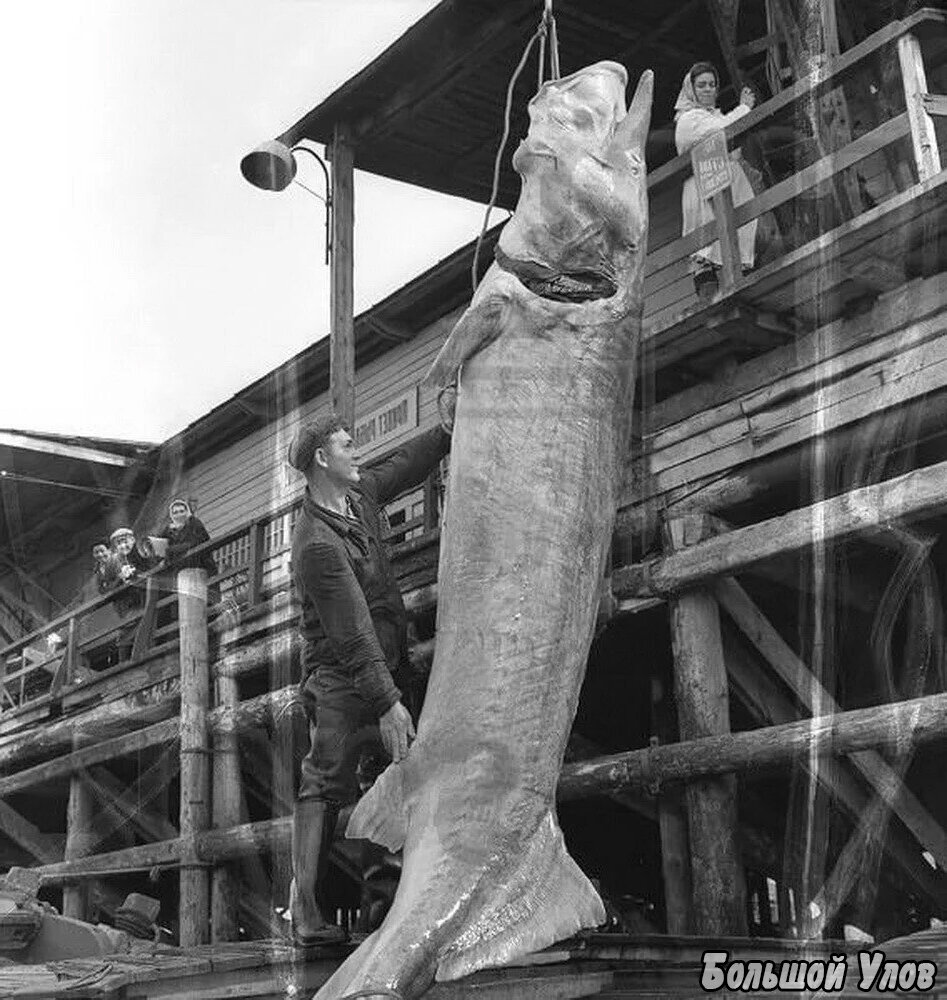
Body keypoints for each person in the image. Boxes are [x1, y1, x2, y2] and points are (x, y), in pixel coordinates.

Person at [287, 408, 452, 946]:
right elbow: (351, 630)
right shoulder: (316, 542)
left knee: (396, 774)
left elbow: (404, 464)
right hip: (340, 679)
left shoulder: (358, 498)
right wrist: (386, 702)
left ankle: (383, 915)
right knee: (325, 783)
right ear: (321, 459)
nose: (355, 452)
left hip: (385, 665)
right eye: (346, 445)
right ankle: (306, 912)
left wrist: (446, 430)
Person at [674, 62, 758, 298]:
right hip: (703, 186)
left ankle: (744, 291)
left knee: (734, 236)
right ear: (691, 89)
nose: (708, 89)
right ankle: (708, 300)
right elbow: (719, 130)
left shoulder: (711, 115)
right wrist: (744, 108)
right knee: (706, 245)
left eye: (712, 84)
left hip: (724, 184)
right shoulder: (688, 120)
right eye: (701, 85)